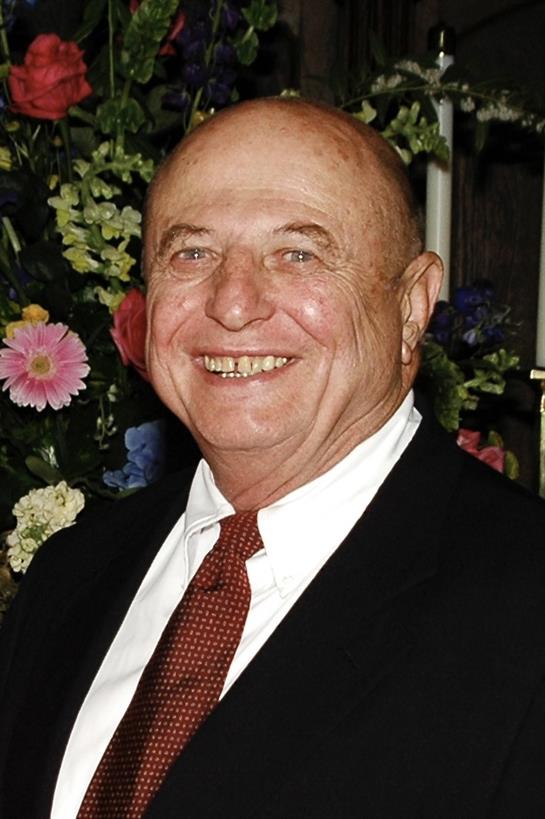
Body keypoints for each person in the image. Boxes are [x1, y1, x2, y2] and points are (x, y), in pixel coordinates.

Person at [1, 97, 545, 819]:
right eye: (191, 253)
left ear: (412, 305)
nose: (232, 302)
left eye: (298, 253)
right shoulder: (68, 578)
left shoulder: (524, 607)